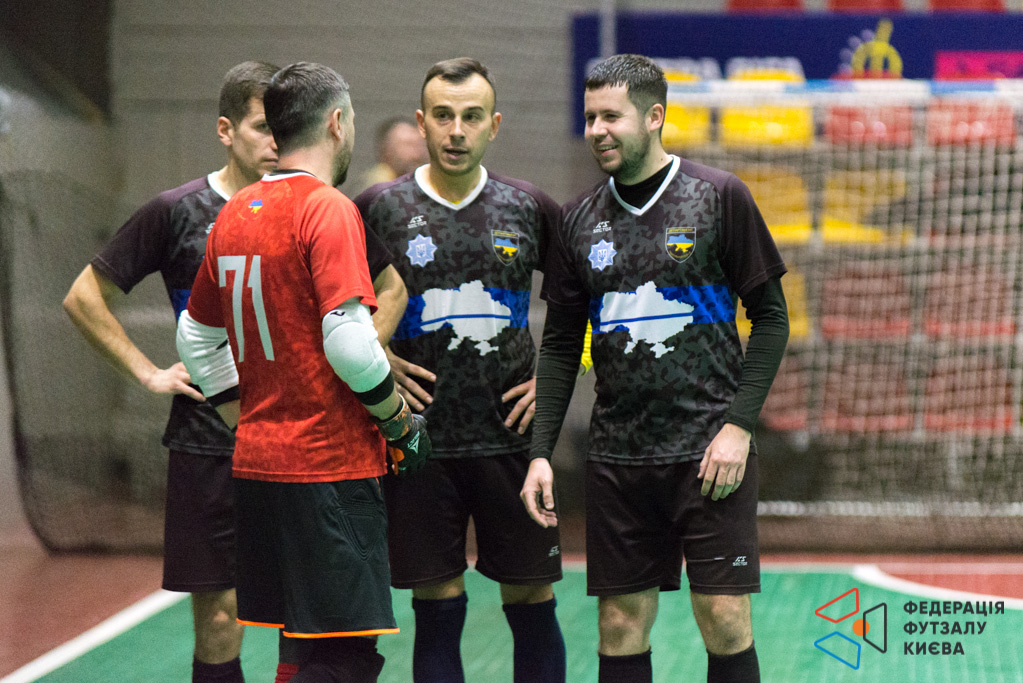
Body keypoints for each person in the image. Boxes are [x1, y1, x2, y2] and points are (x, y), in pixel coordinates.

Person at [521, 54, 790, 683]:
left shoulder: (719, 196)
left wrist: (739, 427)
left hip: (710, 453)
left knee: (724, 618)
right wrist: (540, 453)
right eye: (590, 117)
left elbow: (771, 319)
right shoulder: (577, 220)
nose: (597, 130)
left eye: (611, 117)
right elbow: (559, 346)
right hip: (619, 459)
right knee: (619, 625)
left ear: (654, 116)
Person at [176, 61, 431, 683]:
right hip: (328, 468)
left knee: (303, 645)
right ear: (337, 123)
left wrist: (243, 418)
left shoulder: (236, 211)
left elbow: (194, 336)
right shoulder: (327, 208)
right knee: (345, 656)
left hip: (258, 467)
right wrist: (398, 421)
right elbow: (349, 343)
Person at [62, 61, 280, 683]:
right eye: (263, 127)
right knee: (220, 618)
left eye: (286, 129)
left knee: (309, 615)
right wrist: (148, 372)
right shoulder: (176, 211)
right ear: (225, 130)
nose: (276, 142)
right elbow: (83, 297)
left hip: (295, 439)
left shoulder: (310, 210)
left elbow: (379, 291)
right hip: (207, 441)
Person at [354, 57, 566, 683]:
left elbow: (587, 303)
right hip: (418, 441)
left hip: (513, 441)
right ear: (421, 123)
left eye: (471, 117)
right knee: (436, 607)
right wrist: (375, 355)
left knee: (531, 599)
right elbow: (331, 305)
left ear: (493, 125)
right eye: (443, 116)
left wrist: (557, 377)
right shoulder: (376, 207)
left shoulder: (529, 206)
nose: (456, 131)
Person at [357, 116, 429, 193]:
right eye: (408, 145)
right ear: (386, 151)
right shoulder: (377, 185)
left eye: (419, 145)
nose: (417, 155)